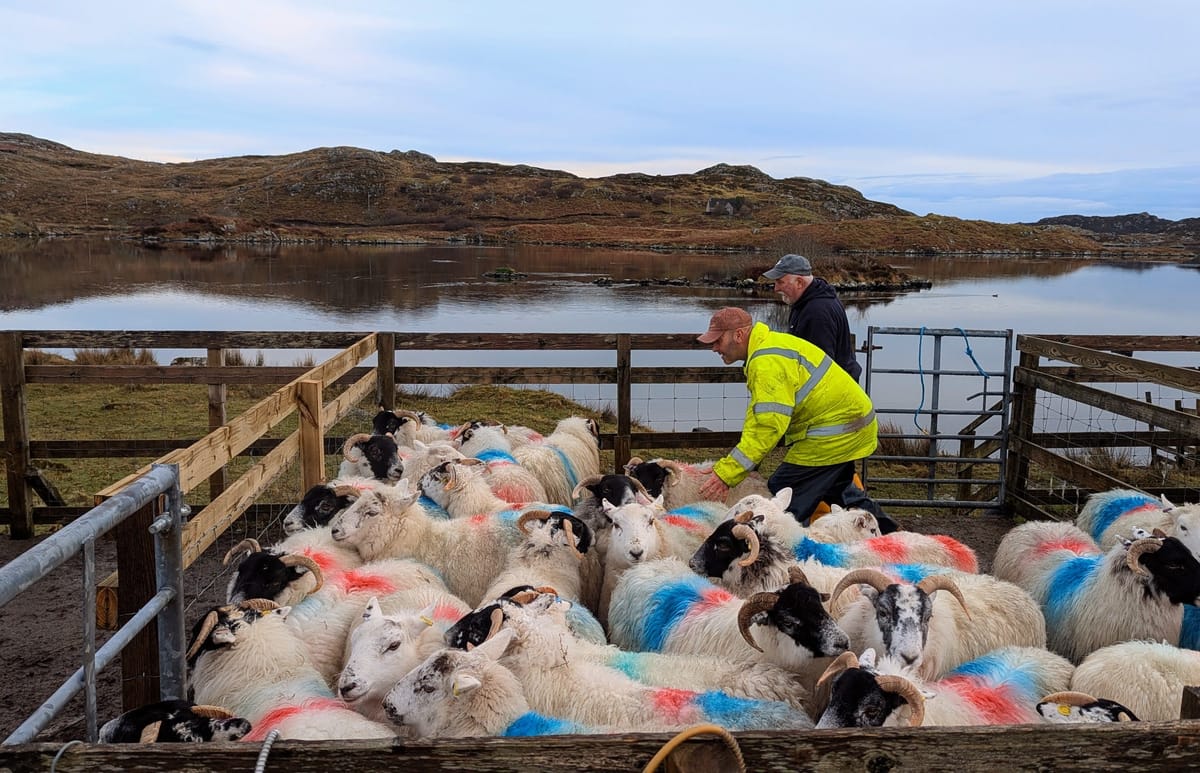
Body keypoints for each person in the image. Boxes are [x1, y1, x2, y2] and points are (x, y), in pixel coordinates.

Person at [695, 306, 889, 528]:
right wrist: (737, 463)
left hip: (835, 432)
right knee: (840, 492)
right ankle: (893, 537)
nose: (714, 348)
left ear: (738, 335)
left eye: (717, 340)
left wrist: (727, 474)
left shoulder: (766, 362)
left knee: (783, 493)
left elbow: (768, 427)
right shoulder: (768, 347)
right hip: (848, 426)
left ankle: (786, 548)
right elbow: (759, 418)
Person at [762, 253, 861, 382]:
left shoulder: (817, 312)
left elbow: (819, 367)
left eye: (780, 282)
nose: (776, 288)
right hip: (839, 388)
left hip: (833, 394)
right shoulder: (809, 301)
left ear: (799, 282)